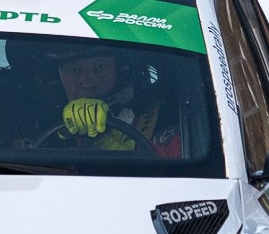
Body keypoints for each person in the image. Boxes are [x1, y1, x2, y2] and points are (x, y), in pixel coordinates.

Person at [36, 47, 181, 155]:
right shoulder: (38, 122)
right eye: (74, 70)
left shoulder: (165, 117)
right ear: (58, 78)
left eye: (100, 67)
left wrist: (106, 136)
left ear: (120, 70)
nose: (88, 82)